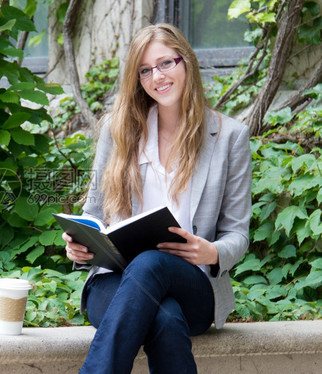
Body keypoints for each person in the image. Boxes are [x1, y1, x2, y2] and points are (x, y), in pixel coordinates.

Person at [62, 24, 252, 374]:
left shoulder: (230, 138)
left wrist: (211, 252)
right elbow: (93, 213)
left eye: (166, 63)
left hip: (191, 282)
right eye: (145, 70)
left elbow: (238, 234)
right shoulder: (117, 131)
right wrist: (80, 244)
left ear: (186, 63)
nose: (157, 77)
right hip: (114, 281)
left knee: (151, 263)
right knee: (164, 320)